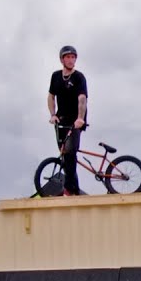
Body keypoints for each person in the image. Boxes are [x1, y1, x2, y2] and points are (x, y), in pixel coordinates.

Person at [48, 44, 89, 196]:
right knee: (64, 155)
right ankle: (74, 190)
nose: (71, 60)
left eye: (73, 57)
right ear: (62, 60)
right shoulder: (56, 76)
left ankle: (69, 189)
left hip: (75, 121)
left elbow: (82, 99)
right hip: (61, 120)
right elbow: (51, 96)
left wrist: (80, 118)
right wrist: (53, 114)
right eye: (68, 57)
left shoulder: (79, 77)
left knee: (70, 153)